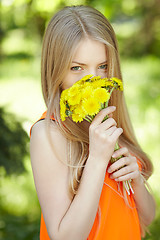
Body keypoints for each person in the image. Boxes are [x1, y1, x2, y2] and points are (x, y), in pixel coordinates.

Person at [30, 5, 155, 240]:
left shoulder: (108, 122)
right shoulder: (49, 134)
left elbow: (147, 218)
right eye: (77, 68)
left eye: (103, 67)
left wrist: (136, 180)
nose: (93, 81)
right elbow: (65, 237)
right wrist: (97, 160)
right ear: (55, 70)